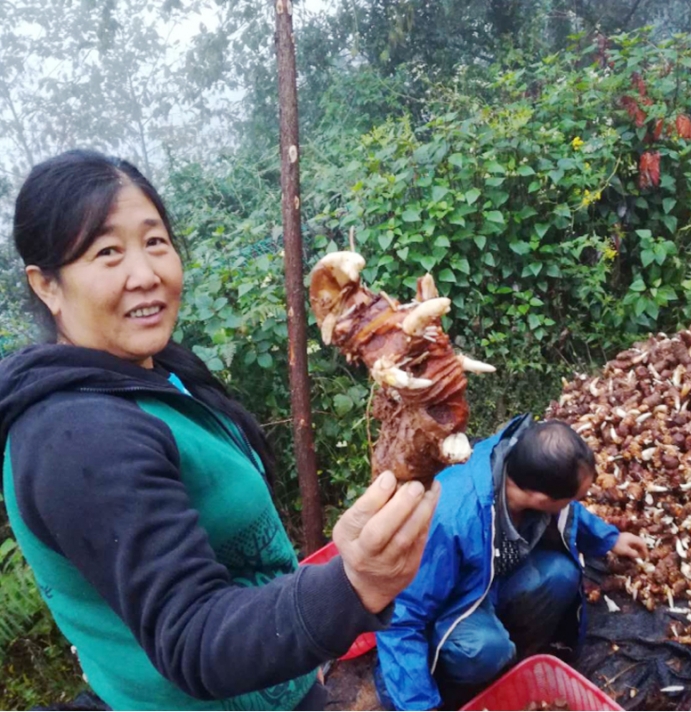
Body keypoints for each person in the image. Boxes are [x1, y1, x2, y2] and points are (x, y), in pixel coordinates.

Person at [0, 149, 440, 711]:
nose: (146, 274)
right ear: (48, 286)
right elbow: (192, 635)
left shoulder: (152, 373)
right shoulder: (77, 437)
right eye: (107, 252)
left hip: (280, 682)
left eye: (155, 242)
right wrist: (352, 585)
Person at [374, 415, 648, 711]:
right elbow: (401, 618)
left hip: (488, 582)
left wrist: (608, 539)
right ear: (542, 498)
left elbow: (569, 513)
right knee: (486, 649)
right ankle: (453, 681)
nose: (574, 504)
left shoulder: (523, 469)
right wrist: (421, 706)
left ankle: (510, 659)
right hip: (446, 609)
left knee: (561, 575)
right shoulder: (452, 518)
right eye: (572, 498)